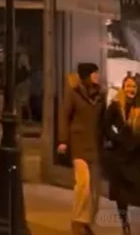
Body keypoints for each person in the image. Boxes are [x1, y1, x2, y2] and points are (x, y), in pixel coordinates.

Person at [58, 61, 106, 235]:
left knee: (95, 191)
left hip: (95, 145)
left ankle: (87, 222)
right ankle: (77, 222)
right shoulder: (73, 93)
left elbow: (104, 120)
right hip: (78, 143)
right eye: (94, 73)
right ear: (86, 75)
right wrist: (63, 140)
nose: (97, 76)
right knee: (83, 184)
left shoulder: (101, 95)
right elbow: (64, 116)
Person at [106, 75, 140, 235]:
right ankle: (124, 224)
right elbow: (105, 125)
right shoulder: (115, 105)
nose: (131, 89)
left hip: (136, 155)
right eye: (128, 86)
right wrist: (116, 138)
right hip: (120, 155)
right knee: (121, 194)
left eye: (133, 86)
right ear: (123, 87)